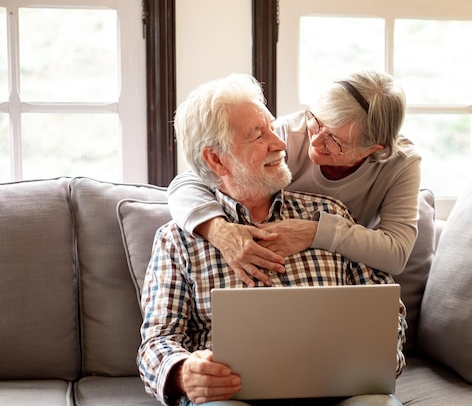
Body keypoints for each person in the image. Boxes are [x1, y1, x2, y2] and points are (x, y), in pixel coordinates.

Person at [137, 74, 407, 406]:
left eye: (272, 128)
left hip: (337, 393)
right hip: (234, 397)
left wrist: (378, 358)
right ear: (216, 159)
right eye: (258, 136)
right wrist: (182, 372)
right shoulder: (176, 241)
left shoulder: (329, 213)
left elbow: (386, 309)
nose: (280, 144)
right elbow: (157, 342)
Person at [167, 69, 422, 287]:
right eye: (316, 122)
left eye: (335, 140)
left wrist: (314, 232)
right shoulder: (288, 133)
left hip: (336, 268)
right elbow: (195, 176)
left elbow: (396, 252)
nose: (317, 141)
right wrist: (219, 231)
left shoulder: (401, 162)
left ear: (372, 150)